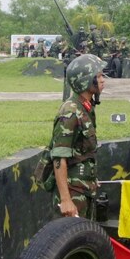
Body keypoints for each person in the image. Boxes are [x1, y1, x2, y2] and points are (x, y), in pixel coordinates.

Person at [47, 54, 107, 219]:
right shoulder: (70, 112)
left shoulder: (85, 107)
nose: (103, 79)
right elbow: (59, 158)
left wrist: (91, 179)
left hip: (85, 188)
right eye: (99, 76)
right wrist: (66, 200)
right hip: (73, 192)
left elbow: (82, 152)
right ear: (85, 81)